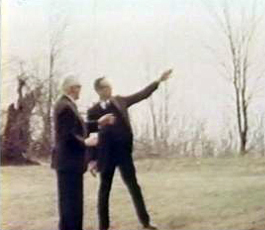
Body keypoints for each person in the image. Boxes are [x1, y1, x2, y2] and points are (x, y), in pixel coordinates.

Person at [87, 69, 173, 230]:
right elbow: (90, 136)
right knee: (104, 191)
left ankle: (145, 222)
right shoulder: (93, 111)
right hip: (105, 155)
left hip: (123, 154)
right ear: (99, 90)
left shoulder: (120, 101)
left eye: (110, 86)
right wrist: (92, 160)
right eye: (106, 87)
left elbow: (141, 95)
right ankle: (103, 227)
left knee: (134, 186)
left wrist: (158, 81)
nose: (110, 89)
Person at [51, 75, 115, 230]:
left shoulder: (66, 104)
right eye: (79, 87)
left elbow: (78, 126)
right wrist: (85, 142)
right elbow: (66, 135)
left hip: (68, 163)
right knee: (71, 207)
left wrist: (98, 123)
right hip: (69, 163)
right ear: (72, 88)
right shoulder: (65, 107)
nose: (80, 91)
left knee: (71, 205)